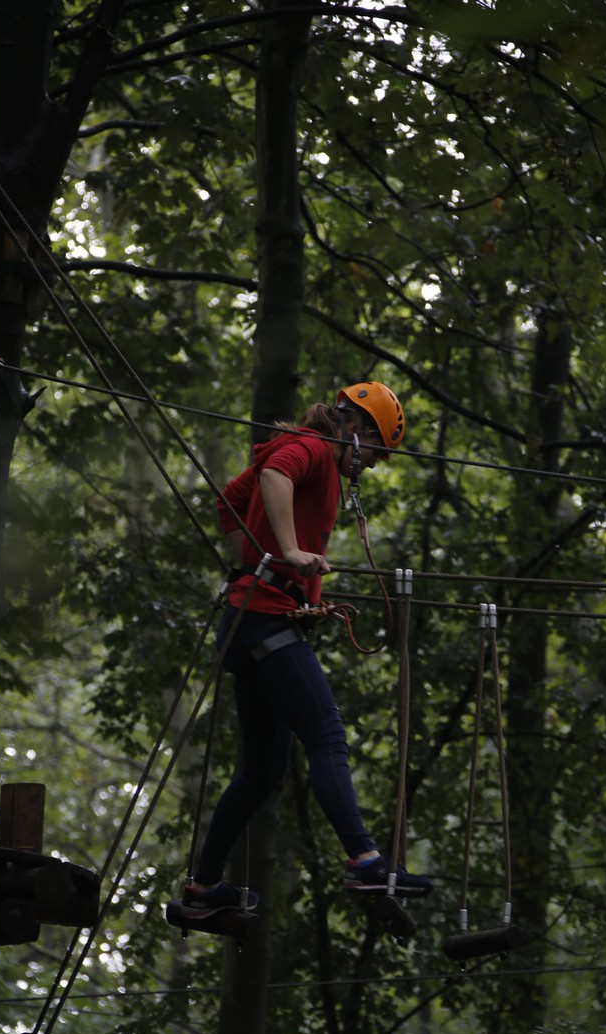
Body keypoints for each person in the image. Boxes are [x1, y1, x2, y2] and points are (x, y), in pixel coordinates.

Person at [179, 381, 434, 917]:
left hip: (252, 621)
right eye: (377, 450)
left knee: (263, 772)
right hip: (264, 622)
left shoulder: (311, 453)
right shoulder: (314, 447)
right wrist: (289, 554)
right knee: (327, 736)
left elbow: (230, 501)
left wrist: (260, 563)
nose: (375, 464)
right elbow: (274, 475)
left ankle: (204, 888)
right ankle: (365, 861)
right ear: (355, 428)